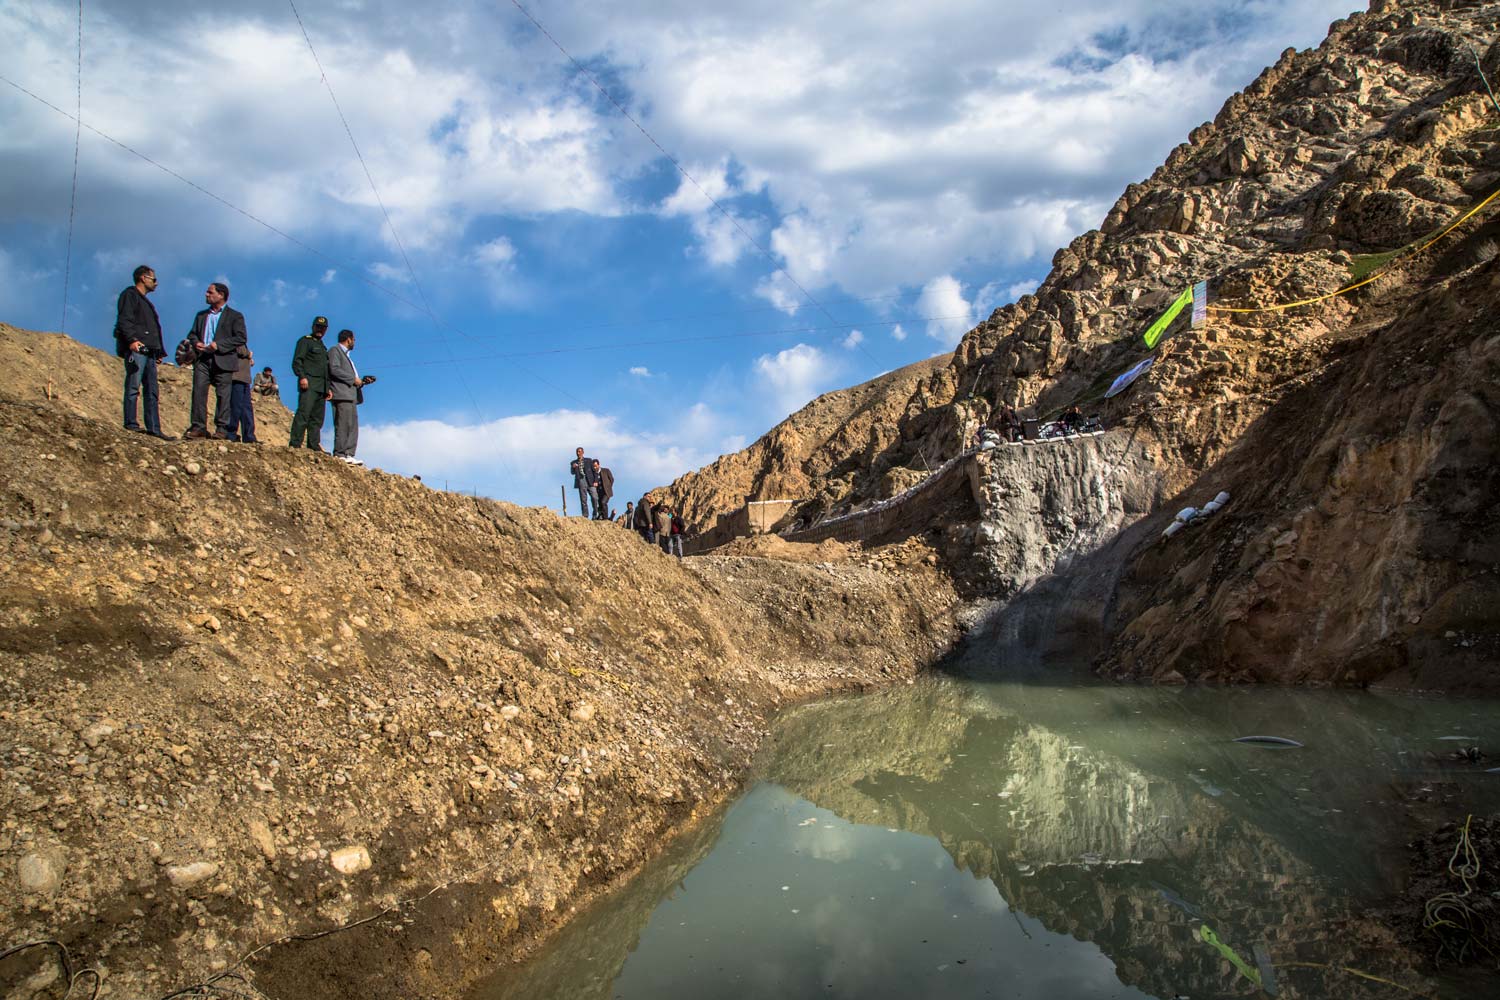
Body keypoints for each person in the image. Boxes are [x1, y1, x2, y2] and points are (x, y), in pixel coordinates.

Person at [184, 282, 247, 440]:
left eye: (210, 292)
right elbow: (192, 334)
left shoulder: (235, 316)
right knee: (199, 392)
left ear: (221, 295)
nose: (206, 294)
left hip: (223, 359)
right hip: (203, 359)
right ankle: (198, 427)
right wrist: (196, 342)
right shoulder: (201, 315)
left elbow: (240, 338)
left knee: (223, 395)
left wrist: (218, 345)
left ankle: (221, 429)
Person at [114, 264, 169, 438]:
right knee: (133, 386)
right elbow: (125, 320)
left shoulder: (146, 303)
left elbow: (152, 329)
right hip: (138, 350)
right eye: (154, 279)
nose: (156, 283)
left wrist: (159, 351)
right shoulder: (130, 296)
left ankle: (154, 429)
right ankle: (131, 423)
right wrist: (132, 341)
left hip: (150, 352)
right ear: (143, 278)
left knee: (152, 391)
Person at [327, 328, 375, 465]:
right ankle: (340, 453)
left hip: (351, 395)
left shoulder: (347, 356)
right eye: (354, 340)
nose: (354, 342)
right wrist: (353, 379)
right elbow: (334, 369)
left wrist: (362, 382)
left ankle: (349, 453)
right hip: (341, 394)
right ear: (349, 339)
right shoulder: (334, 351)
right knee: (343, 424)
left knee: (352, 426)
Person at [289, 316, 331, 450]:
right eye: (318, 327)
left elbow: (325, 369)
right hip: (309, 383)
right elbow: (297, 361)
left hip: (321, 387)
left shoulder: (323, 347)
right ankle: (295, 444)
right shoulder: (305, 341)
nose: (320, 330)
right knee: (304, 413)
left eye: (323, 328)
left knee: (317, 419)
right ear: (313, 327)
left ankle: (313, 445)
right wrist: (302, 376)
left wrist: (328, 388)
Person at [228, 346, 258, 443]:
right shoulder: (234, 335)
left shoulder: (242, 340)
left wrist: (248, 359)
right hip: (236, 376)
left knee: (247, 409)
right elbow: (235, 348)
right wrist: (248, 354)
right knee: (235, 407)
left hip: (244, 378)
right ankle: (231, 434)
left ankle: (249, 436)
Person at [569, 447, 599, 518]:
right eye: (577, 452)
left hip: (590, 481)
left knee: (595, 497)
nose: (578, 453)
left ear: (583, 452)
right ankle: (585, 515)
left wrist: (596, 481)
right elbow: (572, 473)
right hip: (581, 481)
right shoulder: (573, 462)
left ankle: (595, 513)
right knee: (583, 499)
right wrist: (573, 467)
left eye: (579, 451)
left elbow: (595, 472)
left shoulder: (589, 460)